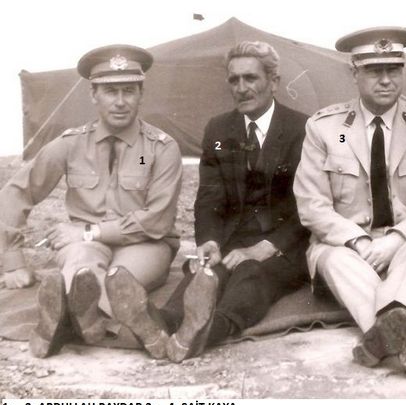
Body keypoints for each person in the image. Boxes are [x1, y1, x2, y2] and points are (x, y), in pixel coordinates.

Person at [293, 27, 406, 378]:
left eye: (394, 69)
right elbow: (312, 205)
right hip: (348, 249)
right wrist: (358, 240)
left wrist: (397, 239)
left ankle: (385, 335)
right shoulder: (325, 128)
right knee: (333, 259)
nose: (386, 80)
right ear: (354, 72)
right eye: (375, 70)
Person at [0, 45, 183, 359]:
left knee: (118, 281)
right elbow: (17, 191)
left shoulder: (160, 148)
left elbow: (158, 220)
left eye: (129, 91)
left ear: (141, 94)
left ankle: (60, 324)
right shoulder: (71, 143)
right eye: (110, 91)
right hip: (83, 245)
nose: (120, 101)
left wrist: (89, 231)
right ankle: (112, 323)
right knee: (80, 268)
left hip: (146, 243)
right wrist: (13, 259)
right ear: (93, 94)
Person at [164, 41, 310, 362]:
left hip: (284, 245)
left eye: (250, 78)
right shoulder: (218, 129)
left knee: (251, 273)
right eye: (234, 80)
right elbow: (209, 197)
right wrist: (209, 241)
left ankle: (211, 329)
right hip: (232, 240)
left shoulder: (302, 129)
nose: (241, 88)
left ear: (273, 81)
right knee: (206, 274)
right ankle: (163, 324)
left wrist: (266, 247)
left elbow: (310, 206)